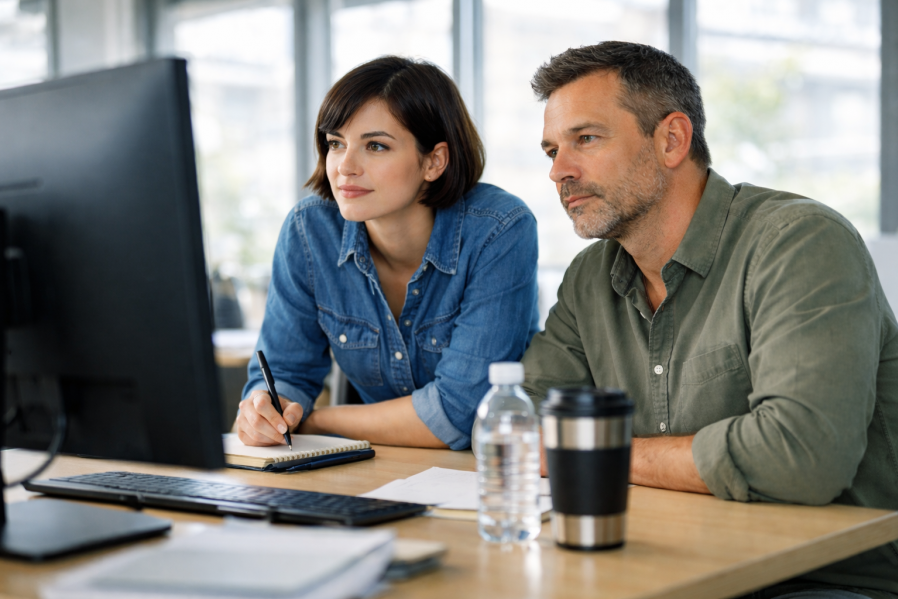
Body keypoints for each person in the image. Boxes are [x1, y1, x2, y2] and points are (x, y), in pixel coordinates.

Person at [522, 41, 898, 599]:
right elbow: (526, 425)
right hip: (663, 561)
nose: (559, 172)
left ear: (672, 139)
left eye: (586, 139)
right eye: (551, 150)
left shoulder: (798, 243)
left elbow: (800, 458)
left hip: (823, 581)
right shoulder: (588, 278)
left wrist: (601, 452)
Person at [235, 56, 539, 451]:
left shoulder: (500, 229)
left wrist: (317, 421)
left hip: (487, 475)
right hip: (376, 468)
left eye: (375, 146)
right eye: (335, 144)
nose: (345, 166)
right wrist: (267, 410)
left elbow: (461, 413)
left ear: (434, 161)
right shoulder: (310, 231)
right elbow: (287, 373)